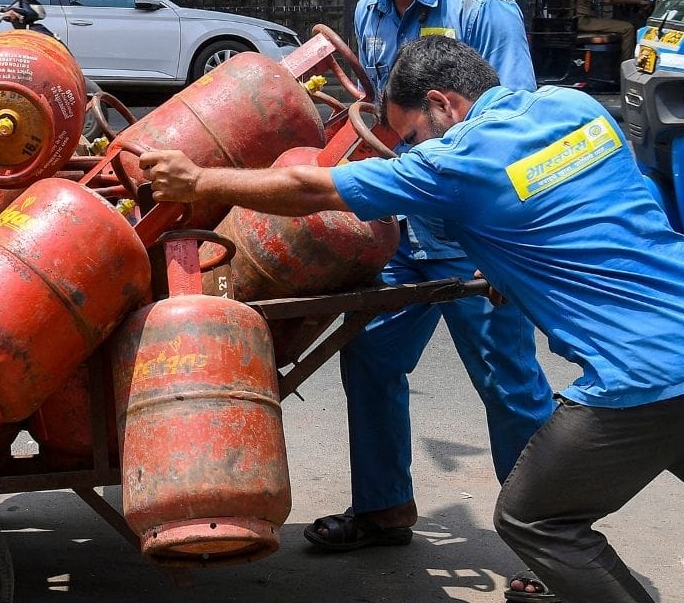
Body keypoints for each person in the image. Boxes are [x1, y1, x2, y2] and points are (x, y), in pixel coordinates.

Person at [140, 34, 684, 603]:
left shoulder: (459, 161)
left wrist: (198, 182)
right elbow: (592, 210)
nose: (413, 151)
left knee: (534, 519)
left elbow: (310, 187)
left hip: (639, 377)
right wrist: (512, 267)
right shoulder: (576, 108)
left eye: (415, 136)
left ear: (443, 103)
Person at [303, 0, 556, 573]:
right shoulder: (370, 10)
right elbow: (385, 121)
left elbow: (518, 135)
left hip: (478, 240)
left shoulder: (483, 8)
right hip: (401, 233)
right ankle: (384, 509)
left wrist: (506, 253)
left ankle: (548, 548)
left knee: (510, 387)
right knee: (371, 357)